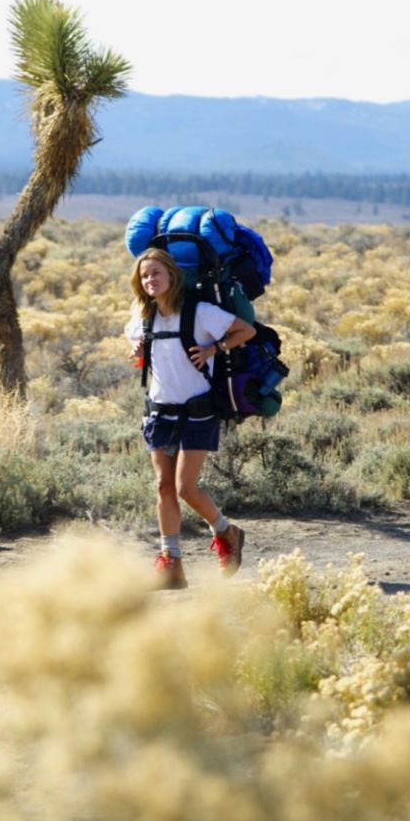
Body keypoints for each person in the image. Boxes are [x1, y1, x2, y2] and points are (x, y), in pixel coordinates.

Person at [126, 247, 256, 589]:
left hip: (198, 410)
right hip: (159, 411)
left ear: (172, 275)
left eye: (155, 272)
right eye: (144, 275)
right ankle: (171, 564)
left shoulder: (200, 312)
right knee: (163, 487)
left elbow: (246, 330)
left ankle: (227, 532)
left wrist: (215, 348)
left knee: (185, 487)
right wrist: (137, 352)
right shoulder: (141, 317)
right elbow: (141, 353)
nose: (150, 279)